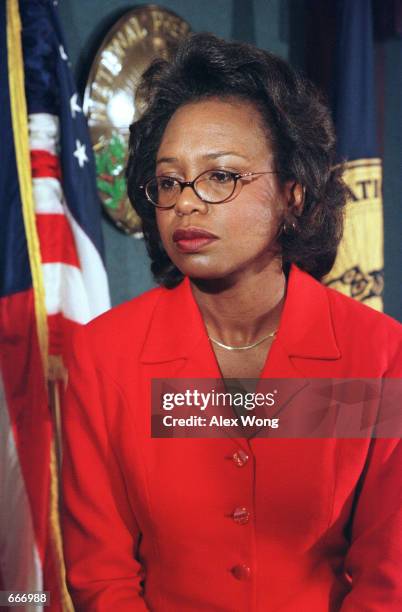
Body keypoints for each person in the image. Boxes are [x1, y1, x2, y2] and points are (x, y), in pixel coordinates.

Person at [61, 33, 402, 611]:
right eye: (169, 182)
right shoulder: (104, 356)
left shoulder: (379, 355)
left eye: (221, 176)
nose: (186, 203)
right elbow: (102, 576)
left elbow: (387, 576)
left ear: (293, 193)